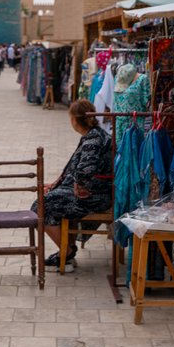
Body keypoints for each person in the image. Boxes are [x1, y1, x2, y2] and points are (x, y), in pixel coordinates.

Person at [36, 99, 113, 272]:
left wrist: (73, 186)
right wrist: (59, 186)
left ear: (74, 120)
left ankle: (67, 251)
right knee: (51, 199)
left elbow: (85, 171)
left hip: (94, 196)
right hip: (99, 192)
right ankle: (65, 255)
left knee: (40, 205)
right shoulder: (96, 134)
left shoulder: (92, 140)